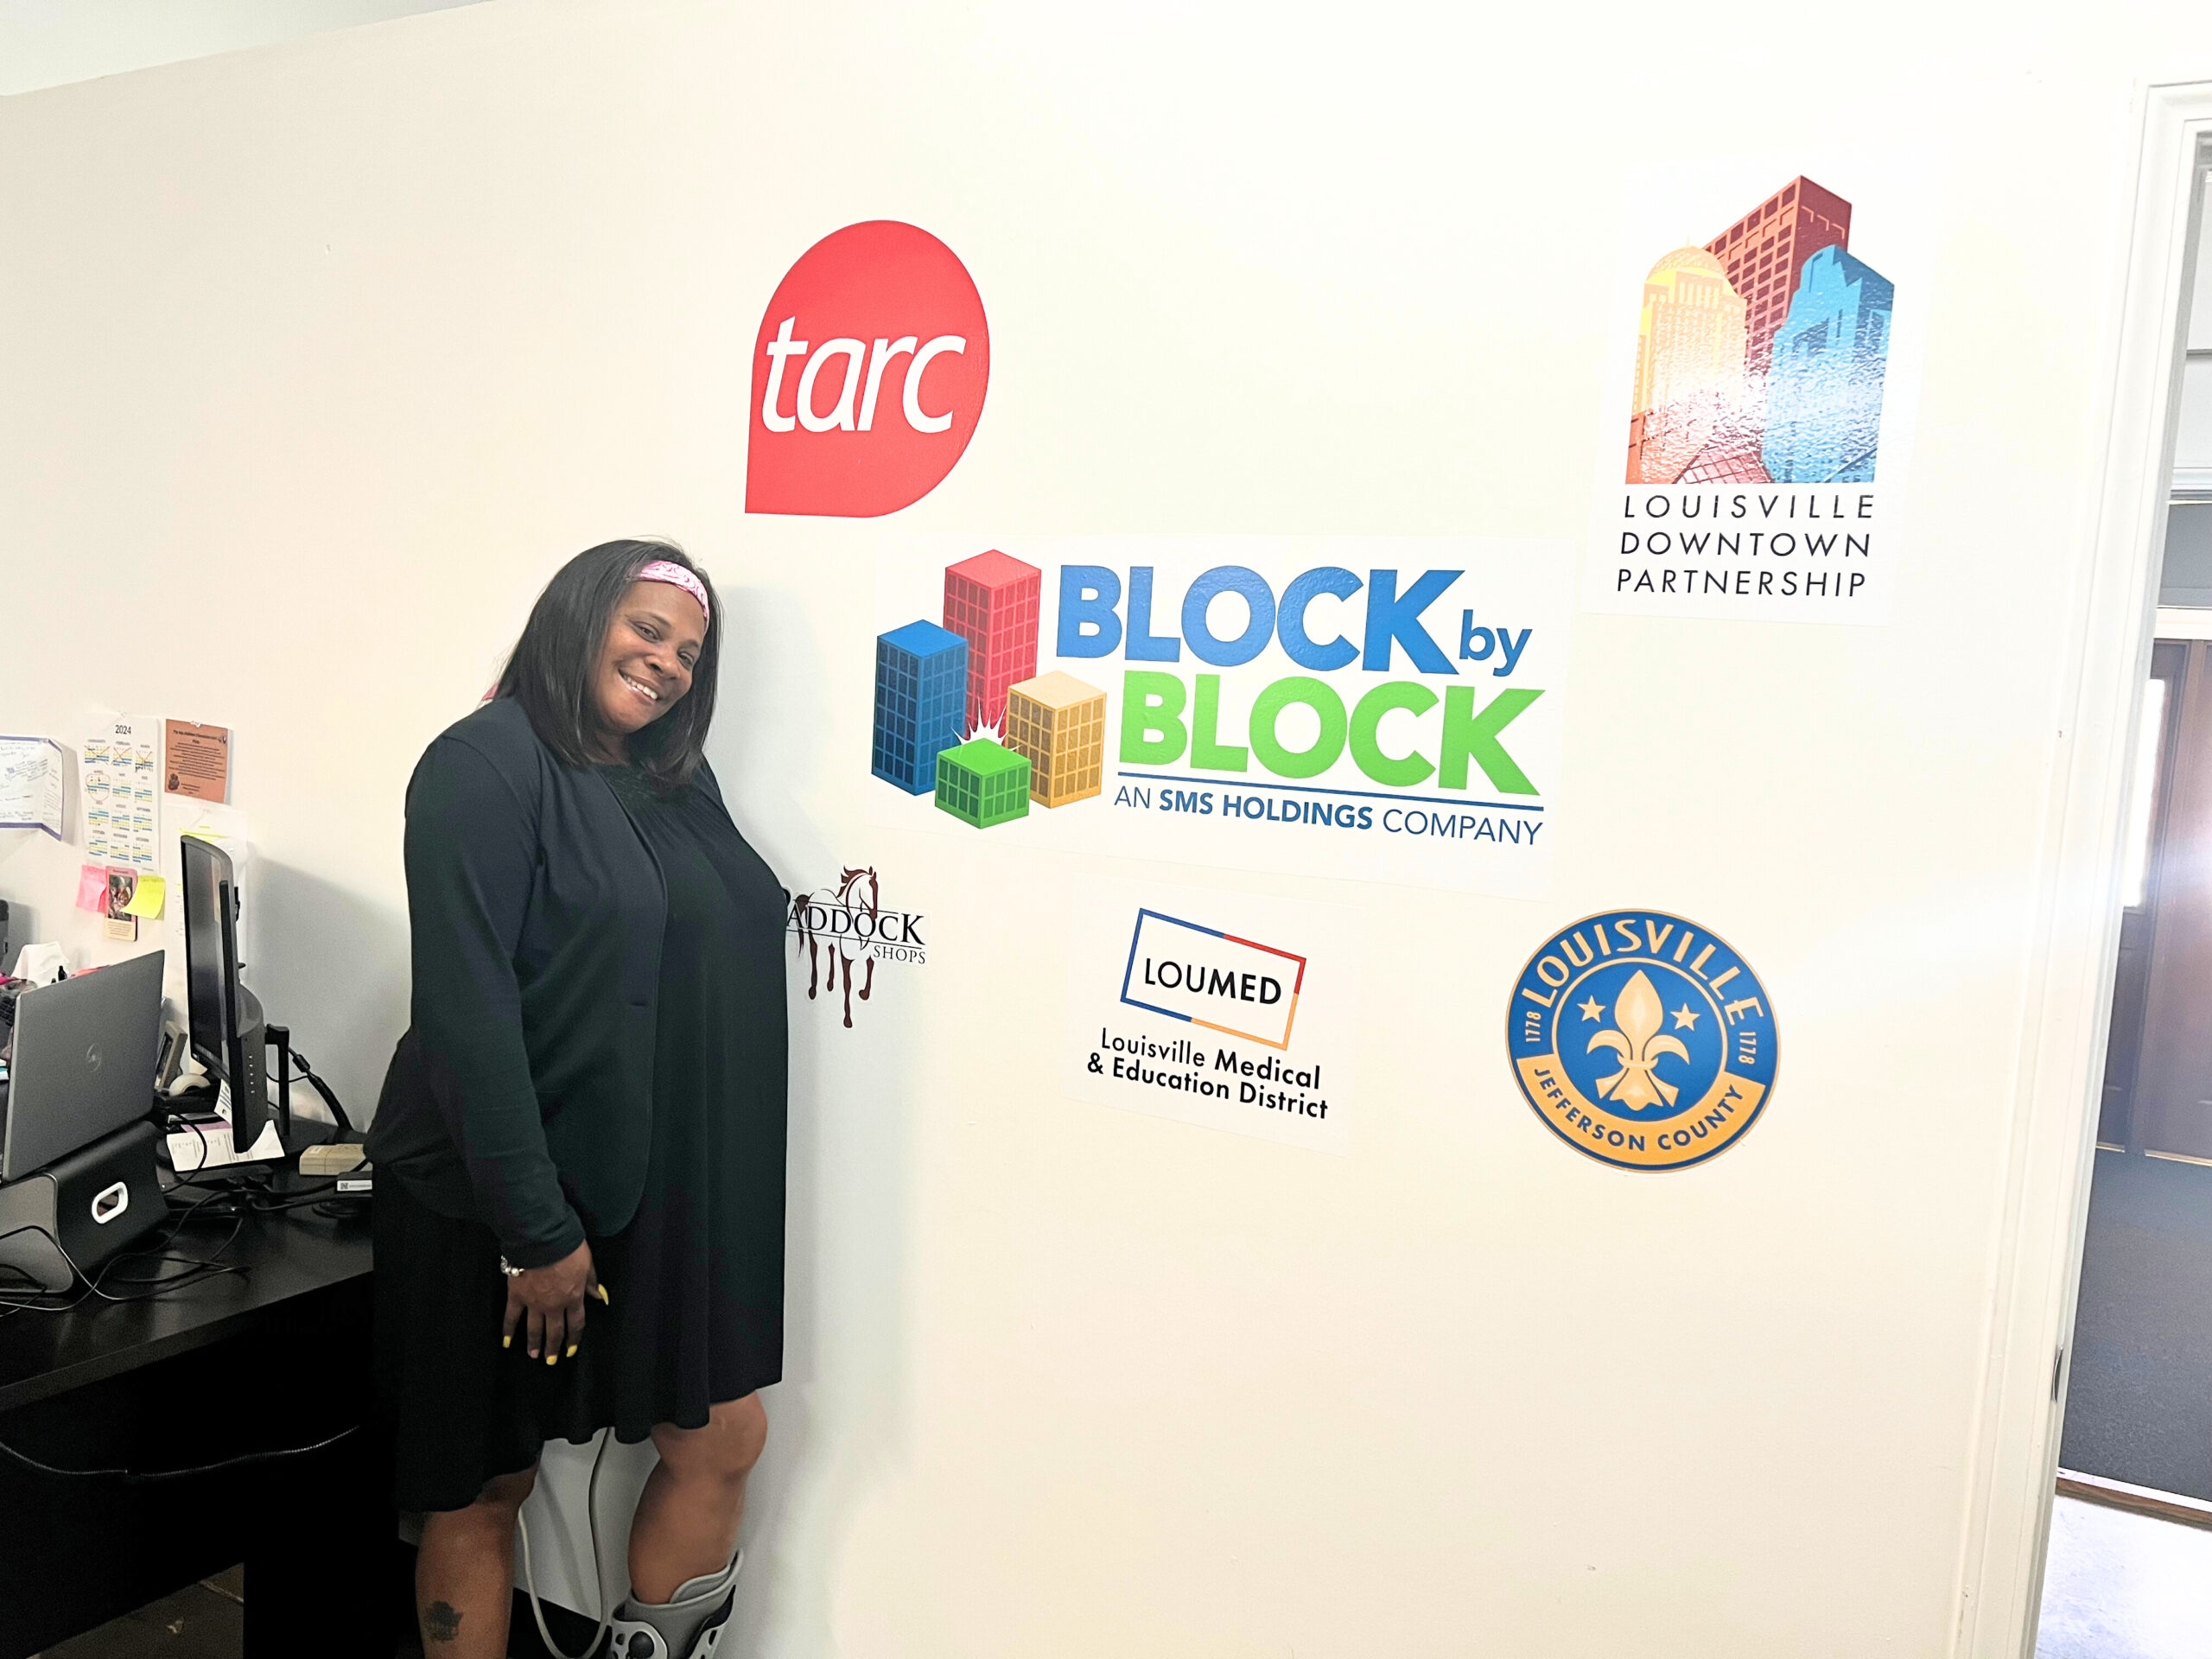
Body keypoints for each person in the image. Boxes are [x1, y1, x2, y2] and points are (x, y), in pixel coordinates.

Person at [367, 540, 787, 1658]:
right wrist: (535, 1231)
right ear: (580, 614)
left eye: (690, 653)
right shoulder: (481, 764)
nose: (667, 665)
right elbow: (466, 1014)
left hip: (631, 1182)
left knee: (723, 1435)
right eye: (647, 630)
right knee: (482, 1486)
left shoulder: (670, 781)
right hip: (494, 1199)